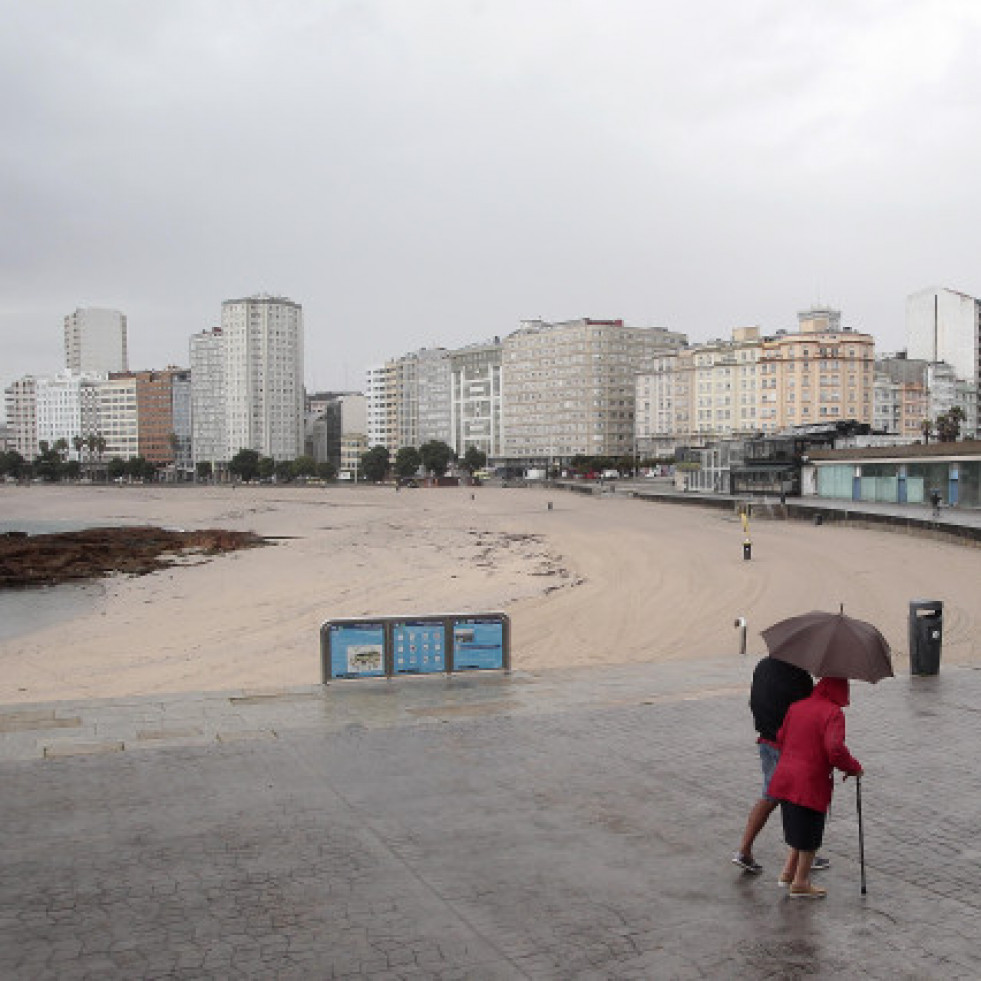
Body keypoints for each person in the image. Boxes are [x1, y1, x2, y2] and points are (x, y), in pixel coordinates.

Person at [731, 656, 830, 875]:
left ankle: (745, 851)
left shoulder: (764, 665)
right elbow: (806, 712)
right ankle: (802, 857)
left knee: (771, 795)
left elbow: (753, 700)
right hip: (787, 745)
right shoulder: (798, 676)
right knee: (796, 800)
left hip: (765, 740)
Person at [767, 677, 863, 899]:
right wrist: (854, 767)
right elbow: (834, 748)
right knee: (810, 833)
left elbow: (781, 737)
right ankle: (800, 882)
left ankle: (788, 873)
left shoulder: (796, 706)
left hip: (786, 776)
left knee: (796, 827)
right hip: (810, 780)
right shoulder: (833, 713)